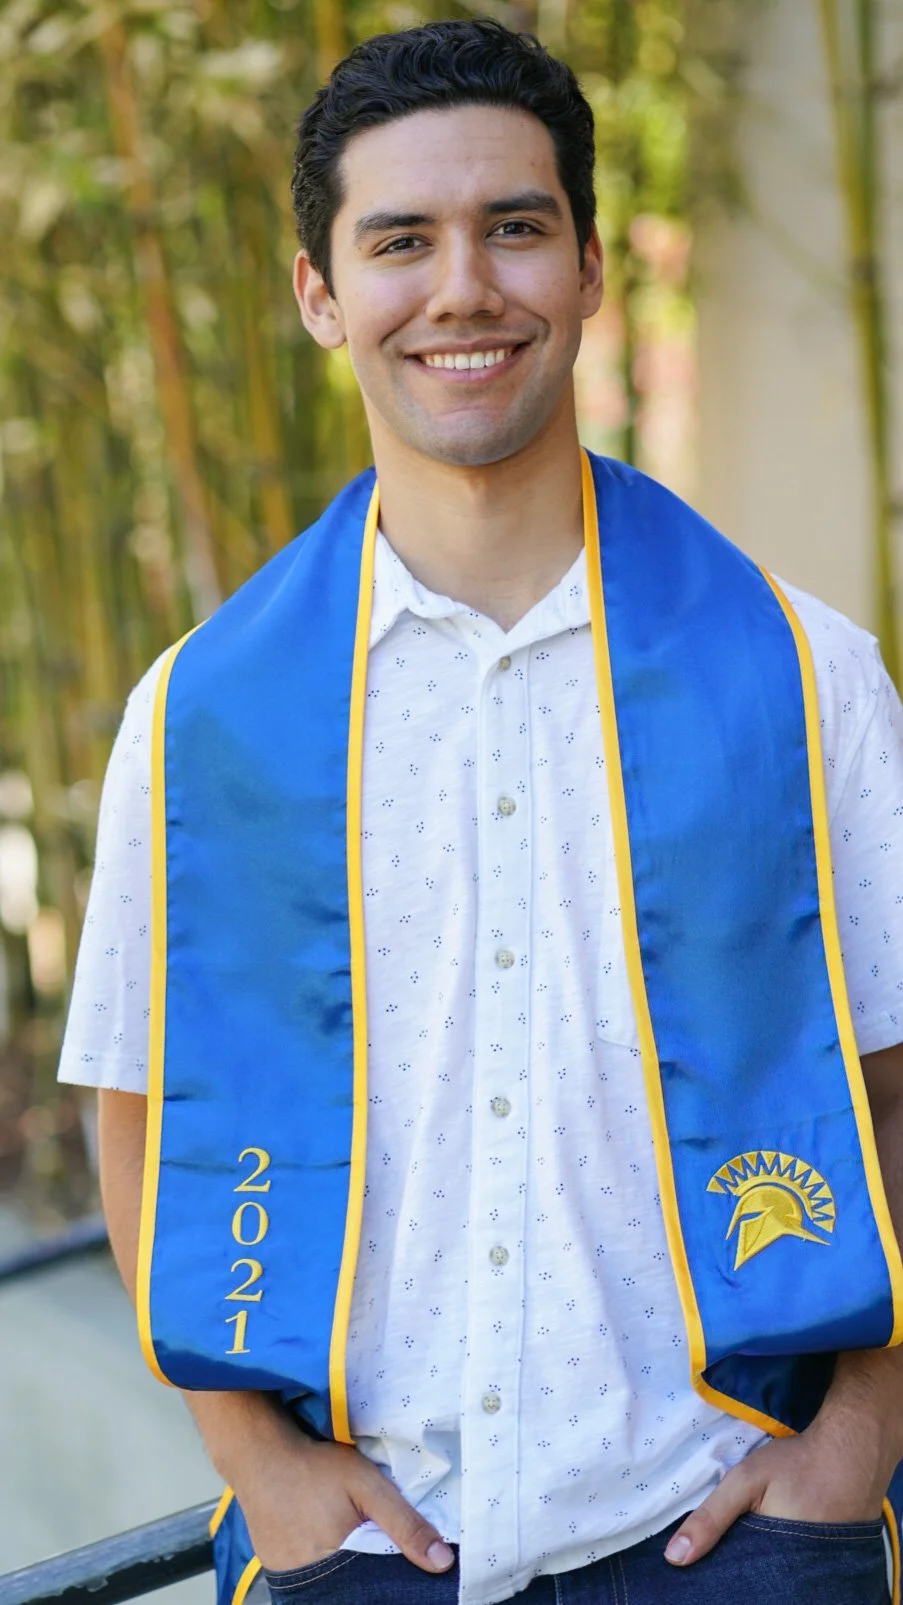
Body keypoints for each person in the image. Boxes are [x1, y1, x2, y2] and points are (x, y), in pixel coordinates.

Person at [58, 17, 903, 1605]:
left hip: (733, 1511)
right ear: (319, 295)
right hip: (363, 1543)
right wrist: (261, 1473)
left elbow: (901, 1074)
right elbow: (138, 1117)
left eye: (514, 228)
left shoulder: (802, 675)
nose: (461, 289)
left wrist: (859, 1433)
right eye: (399, 242)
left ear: (589, 267)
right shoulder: (199, 715)